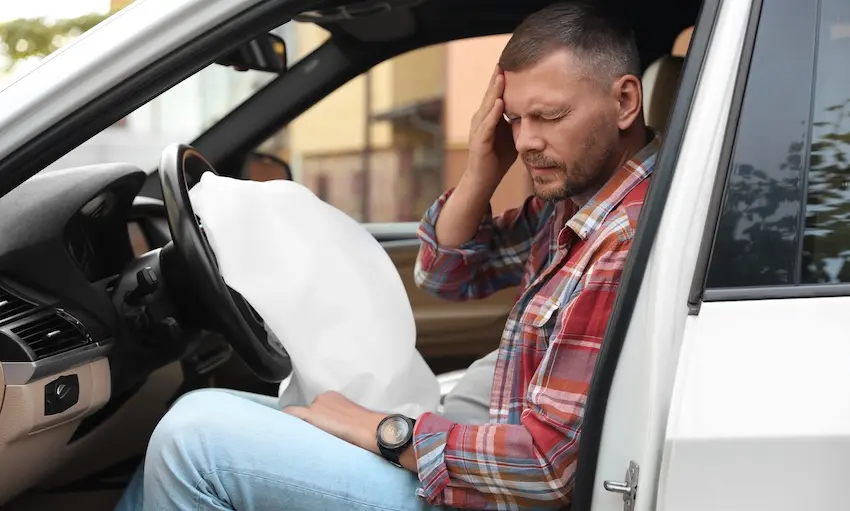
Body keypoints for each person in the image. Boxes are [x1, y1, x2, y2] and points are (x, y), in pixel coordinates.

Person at [114, 1, 660, 509]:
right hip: (472, 444)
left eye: (549, 115)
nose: (524, 142)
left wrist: (384, 430)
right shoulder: (575, 207)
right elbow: (446, 275)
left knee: (191, 439)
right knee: (190, 423)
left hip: (494, 492)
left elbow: (546, 466)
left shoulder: (626, 235)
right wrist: (480, 172)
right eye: (514, 119)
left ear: (624, 102)